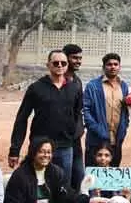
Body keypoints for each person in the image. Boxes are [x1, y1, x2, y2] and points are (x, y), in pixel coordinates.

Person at [9, 50, 83, 179]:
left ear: (67, 65)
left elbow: (77, 115)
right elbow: (22, 118)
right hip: (40, 147)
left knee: (63, 185)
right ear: (48, 65)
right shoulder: (36, 88)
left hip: (65, 148)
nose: (59, 65)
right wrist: (15, 150)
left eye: (63, 63)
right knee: (37, 183)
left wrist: (73, 136)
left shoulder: (74, 88)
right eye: (55, 63)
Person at [84, 53, 130, 169]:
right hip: (96, 139)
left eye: (115, 64)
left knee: (113, 173)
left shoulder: (123, 86)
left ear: (119, 67)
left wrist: (124, 128)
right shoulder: (93, 86)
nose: (113, 67)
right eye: (109, 64)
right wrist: (98, 130)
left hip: (116, 139)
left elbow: (126, 112)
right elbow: (86, 110)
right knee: (93, 173)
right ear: (104, 67)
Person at [3, 137, 74, 203]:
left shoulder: (56, 172)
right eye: (41, 152)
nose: (46, 155)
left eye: (49, 152)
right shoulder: (20, 176)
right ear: (33, 153)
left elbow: (67, 195)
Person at [62, 43, 87, 190]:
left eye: (80, 58)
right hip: (61, 140)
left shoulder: (77, 81)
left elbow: (78, 109)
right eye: (74, 58)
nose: (78, 61)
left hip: (75, 139)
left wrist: (80, 129)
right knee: (64, 180)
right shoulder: (58, 81)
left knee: (79, 179)